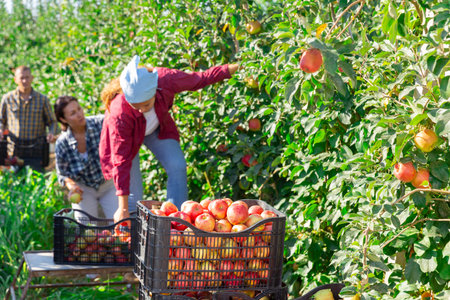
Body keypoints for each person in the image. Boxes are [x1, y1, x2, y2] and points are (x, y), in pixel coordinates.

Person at [100, 55, 239, 223]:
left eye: (146, 105)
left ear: (154, 91)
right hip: (127, 138)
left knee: (177, 166)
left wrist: (233, 68)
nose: (142, 110)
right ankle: (131, 235)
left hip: (156, 129)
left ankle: (176, 223)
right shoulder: (119, 113)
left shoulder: (165, 80)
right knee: (132, 197)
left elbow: (198, 79)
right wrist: (121, 209)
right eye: (136, 106)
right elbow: (120, 161)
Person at [54, 96, 142, 221]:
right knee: (86, 229)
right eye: (73, 113)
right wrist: (73, 187)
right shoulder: (62, 143)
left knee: (120, 223)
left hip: (109, 184)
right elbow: (63, 174)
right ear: (63, 119)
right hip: (84, 189)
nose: (79, 114)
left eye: (79, 109)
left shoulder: (100, 123)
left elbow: (117, 120)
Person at [0, 66, 58, 173]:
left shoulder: (42, 100)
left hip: (36, 150)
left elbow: (52, 121)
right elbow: (1, 120)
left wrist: (51, 133)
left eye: (27, 77)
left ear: (32, 78)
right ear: (15, 80)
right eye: (21, 78)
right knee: (15, 183)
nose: (24, 81)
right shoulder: (8, 99)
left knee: (37, 181)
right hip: (15, 150)